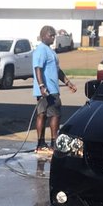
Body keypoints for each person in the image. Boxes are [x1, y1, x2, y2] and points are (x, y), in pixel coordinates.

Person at [33, 25, 77, 156]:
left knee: (45, 114)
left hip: (52, 89)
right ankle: (50, 143)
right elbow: (38, 68)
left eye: (54, 35)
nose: (53, 37)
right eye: (50, 35)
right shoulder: (41, 50)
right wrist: (42, 86)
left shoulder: (50, 51)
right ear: (43, 36)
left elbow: (57, 70)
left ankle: (43, 144)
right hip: (47, 90)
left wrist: (68, 82)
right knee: (53, 115)